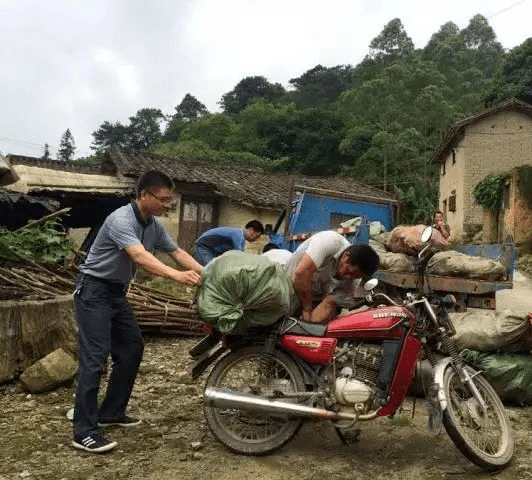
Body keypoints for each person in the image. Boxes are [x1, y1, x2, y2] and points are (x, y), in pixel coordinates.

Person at [72, 170, 203, 454]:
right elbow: (139, 256)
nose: (166, 205)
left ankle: (111, 412)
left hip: (116, 293)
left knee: (131, 348)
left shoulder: (153, 225)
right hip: (93, 291)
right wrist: (176, 277)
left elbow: (176, 252)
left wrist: (205, 272)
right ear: (144, 195)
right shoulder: (121, 219)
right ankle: (84, 431)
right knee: (95, 359)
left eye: (169, 201)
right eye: (163, 199)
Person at [285, 230, 379, 324]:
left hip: (311, 299)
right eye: (349, 272)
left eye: (354, 277)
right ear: (346, 257)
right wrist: (307, 309)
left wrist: (310, 323)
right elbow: (301, 273)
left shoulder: (354, 280)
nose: (348, 278)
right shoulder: (329, 241)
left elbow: (332, 301)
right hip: (288, 290)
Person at [194, 220, 265, 266]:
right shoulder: (239, 235)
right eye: (257, 236)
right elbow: (239, 255)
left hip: (212, 249)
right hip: (204, 246)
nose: (256, 239)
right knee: (211, 269)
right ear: (251, 230)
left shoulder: (239, 234)